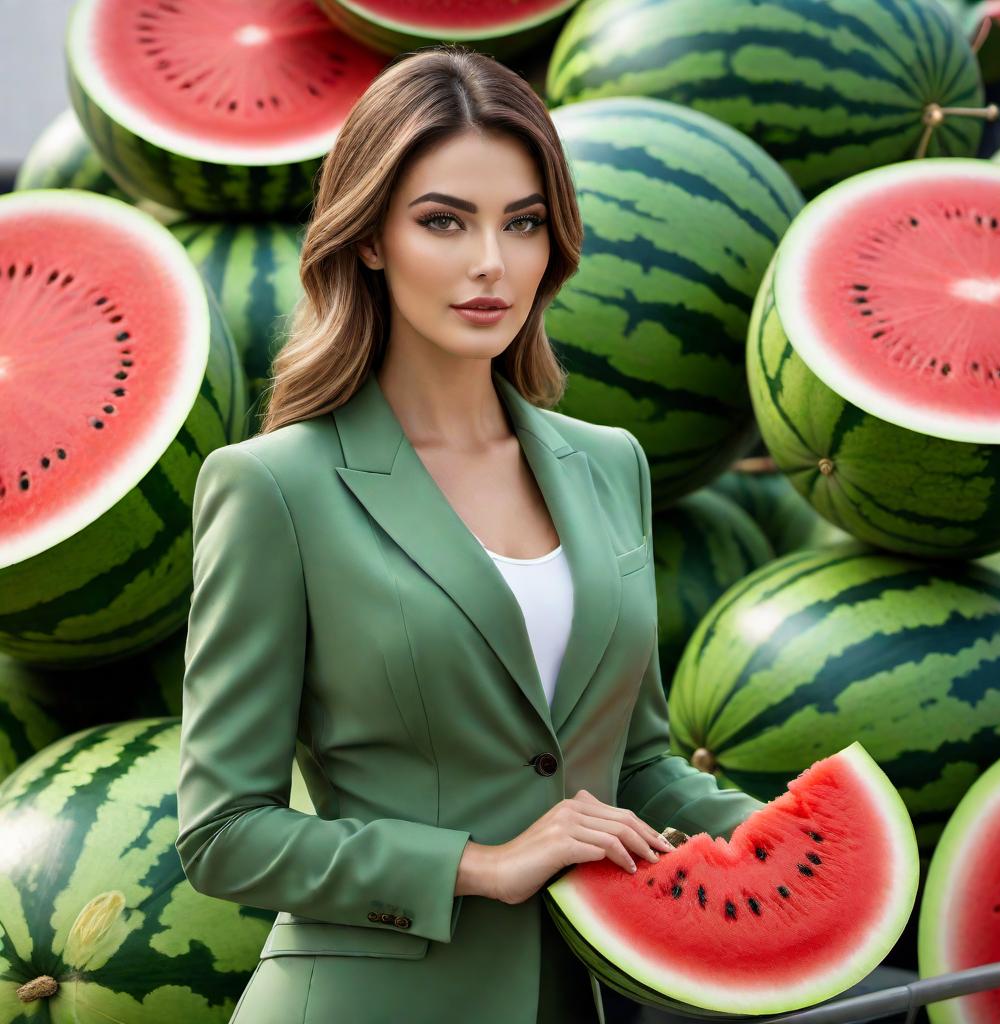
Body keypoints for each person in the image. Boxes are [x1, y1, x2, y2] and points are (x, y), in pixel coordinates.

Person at [174, 43, 765, 1024]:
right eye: (443, 221)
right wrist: (481, 866)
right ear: (369, 238)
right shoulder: (273, 488)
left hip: (577, 996)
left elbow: (636, 764)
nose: (492, 263)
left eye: (522, 223)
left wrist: (792, 843)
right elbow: (224, 833)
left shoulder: (609, 463)